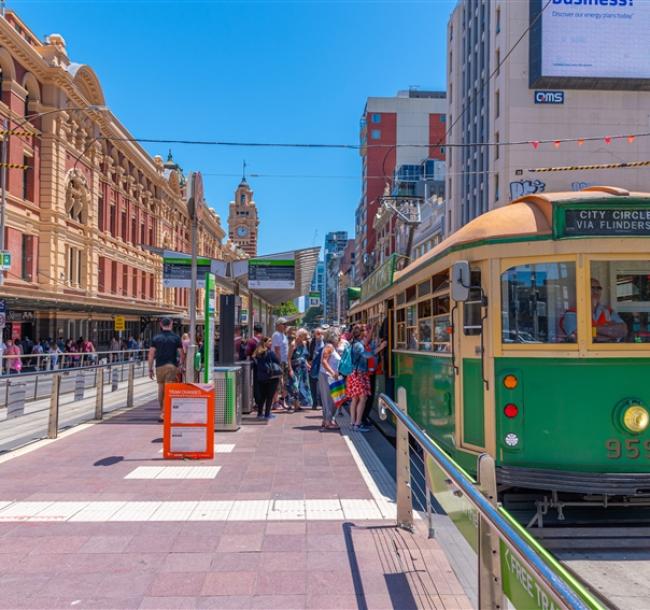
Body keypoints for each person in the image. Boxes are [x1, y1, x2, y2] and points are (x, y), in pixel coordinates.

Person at [562, 278, 627, 342]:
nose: (596, 291)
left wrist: (592, 330)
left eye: (598, 288)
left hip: (608, 351)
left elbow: (623, 331)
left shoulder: (608, 311)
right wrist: (609, 332)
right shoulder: (572, 313)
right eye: (592, 288)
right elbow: (578, 338)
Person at [148, 317, 182, 421]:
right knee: (169, 390)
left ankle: (162, 413)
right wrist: (181, 365)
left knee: (161, 390)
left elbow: (151, 354)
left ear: (161, 325)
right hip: (172, 366)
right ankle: (168, 413)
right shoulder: (176, 338)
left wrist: (150, 369)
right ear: (171, 324)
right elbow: (182, 354)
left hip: (159, 366)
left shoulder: (156, 338)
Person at [347, 325, 372, 432]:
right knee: (363, 399)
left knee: (355, 399)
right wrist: (380, 348)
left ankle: (353, 423)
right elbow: (367, 355)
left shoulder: (353, 343)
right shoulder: (359, 346)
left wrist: (372, 330)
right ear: (361, 333)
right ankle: (357, 424)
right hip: (359, 374)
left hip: (353, 374)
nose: (366, 332)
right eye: (365, 330)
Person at [252, 337, 282, 420]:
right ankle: (267, 414)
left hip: (261, 377)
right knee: (269, 396)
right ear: (265, 343)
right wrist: (278, 354)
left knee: (262, 396)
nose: (271, 343)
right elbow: (277, 361)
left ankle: (260, 413)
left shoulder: (256, 353)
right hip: (271, 376)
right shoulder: (269, 352)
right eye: (269, 341)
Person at [318, 327, 342, 430]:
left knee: (332, 398)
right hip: (327, 376)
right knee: (330, 399)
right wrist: (332, 373)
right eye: (339, 335)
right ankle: (328, 421)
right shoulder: (329, 347)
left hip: (329, 376)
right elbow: (324, 361)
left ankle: (326, 420)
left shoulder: (332, 346)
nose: (340, 336)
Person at [288, 328, 313, 411]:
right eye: (304, 336)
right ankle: (294, 405)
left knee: (302, 386)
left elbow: (304, 356)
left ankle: (298, 405)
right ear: (299, 336)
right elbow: (288, 358)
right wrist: (290, 369)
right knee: (295, 386)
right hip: (295, 368)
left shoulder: (304, 344)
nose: (305, 338)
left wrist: (307, 364)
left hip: (302, 368)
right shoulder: (293, 344)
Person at [271, 317, 289, 410]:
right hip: (279, 362)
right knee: (277, 382)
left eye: (286, 324)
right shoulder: (276, 335)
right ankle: (275, 402)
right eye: (284, 324)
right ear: (278, 325)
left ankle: (282, 400)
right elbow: (277, 350)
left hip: (284, 362)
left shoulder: (283, 335)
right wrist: (278, 364)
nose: (286, 326)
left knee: (284, 382)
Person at [308, 327, 324, 410]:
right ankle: (314, 402)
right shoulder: (311, 342)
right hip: (313, 366)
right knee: (313, 385)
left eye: (321, 333)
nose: (319, 335)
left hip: (322, 366)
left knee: (321, 385)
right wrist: (309, 361)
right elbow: (308, 353)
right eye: (317, 334)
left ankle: (321, 402)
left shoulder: (325, 342)